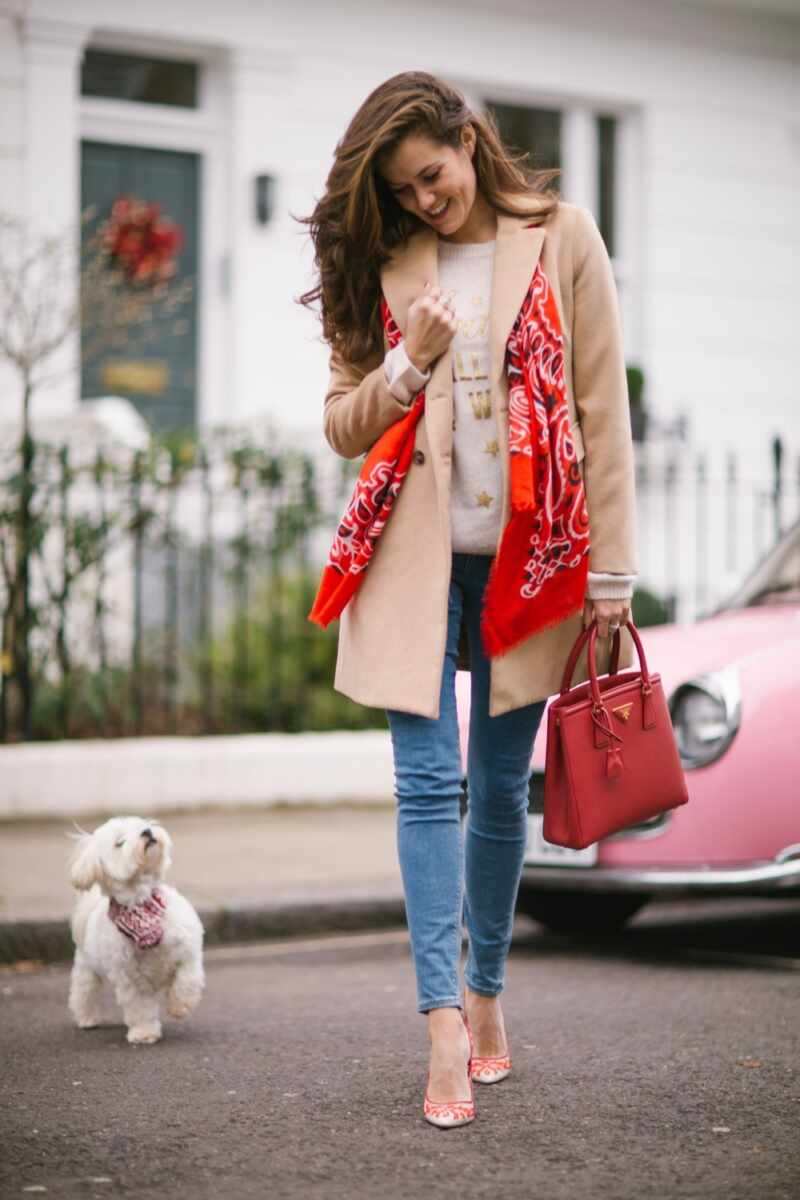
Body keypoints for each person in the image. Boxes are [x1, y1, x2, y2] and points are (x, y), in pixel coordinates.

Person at [299, 71, 638, 1129]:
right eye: (402, 192)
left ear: (467, 140)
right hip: (411, 563)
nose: (422, 202)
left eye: (431, 177)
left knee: (497, 794)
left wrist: (612, 579)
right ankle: (441, 1024)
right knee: (423, 784)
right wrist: (409, 363)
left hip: (528, 565)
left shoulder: (562, 237)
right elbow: (343, 424)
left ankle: (486, 991)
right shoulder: (385, 262)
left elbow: (599, 409)